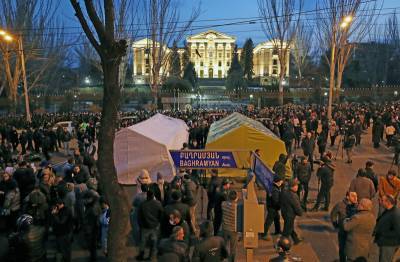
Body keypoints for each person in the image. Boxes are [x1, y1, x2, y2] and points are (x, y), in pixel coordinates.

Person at [330, 191, 358, 262]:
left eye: (356, 196)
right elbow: (333, 215)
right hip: (343, 231)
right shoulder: (340, 205)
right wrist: (336, 225)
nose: (355, 198)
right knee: (342, 249)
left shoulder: (358, 206)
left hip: (353, 233)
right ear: (347, 197)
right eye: (353, 196)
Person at [136, 190, 164, 261]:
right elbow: (161, 214)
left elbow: (139, 216)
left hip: (145, 227)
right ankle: (152, 257)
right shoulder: (158, 203)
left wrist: (140, 225)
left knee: (143, 242)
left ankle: (141, 256)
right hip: (155, 226)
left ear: (147, 196)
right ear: (153, 196)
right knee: (154, 242)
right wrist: (158, 223)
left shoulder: (142, 204)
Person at [373, 194, 400, 262]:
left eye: (382, 200)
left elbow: (397, 232)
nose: (380, 202)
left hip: (389, 244)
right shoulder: (388, 210)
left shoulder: (395, 214)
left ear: (388, 202)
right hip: (386, 243)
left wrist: (382, 233)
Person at [280, 179, 303, 245]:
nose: (297, 187)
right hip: (290, 215)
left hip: (285, 213)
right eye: (296, 185)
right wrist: (300, 213)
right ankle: (282, 244)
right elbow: (297, 206)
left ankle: (296, 239)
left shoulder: (284, 192)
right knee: (286, 231)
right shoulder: (293, 196)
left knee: (290, 227)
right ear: (292, 186)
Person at [262, 175, 283, 240]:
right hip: (273, 208)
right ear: (277, 182)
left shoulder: (272, 187)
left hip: (271, 206)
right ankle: (263, 234)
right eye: (280, 181)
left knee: (277, 218)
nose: (282, 182)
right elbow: (276, 201)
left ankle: (278, 230)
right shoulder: (275, 190)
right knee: (269, 221)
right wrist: (280, 206)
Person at [221, 190, 239, 262]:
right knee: (233, 248)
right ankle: (231, 260)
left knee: (224, 245)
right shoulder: (237, 207)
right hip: (233, 230)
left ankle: (222, 258)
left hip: (225, 228)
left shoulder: (223, 204)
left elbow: (227, 202)